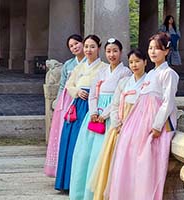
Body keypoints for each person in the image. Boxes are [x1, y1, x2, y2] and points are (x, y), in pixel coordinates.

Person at [107, 32, 179, 200]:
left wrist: (157, 125)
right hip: (138, 120)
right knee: (129, 156)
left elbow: (168, 102)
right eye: (150, 48)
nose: (153, 52)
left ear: (166, 51)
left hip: (154, 123)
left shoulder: (168, 73)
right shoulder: (152, 73)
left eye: (158, 49)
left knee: (148, 162)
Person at [70, 38, 131, 200]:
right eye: (109, 51)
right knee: (85, 154)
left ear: (121, 52)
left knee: (102, 154)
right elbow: (93, 94)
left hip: (111, 116)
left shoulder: (125, 73)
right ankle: (81, 193)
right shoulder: (101, 72)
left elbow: (119, 98)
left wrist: (104, 115)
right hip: (95, 116)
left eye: (115, 51)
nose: (112, 54)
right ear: (105, 52)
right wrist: (93, 112)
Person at [90, 49, 147, 200]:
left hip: (137, 127)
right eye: (132, 62)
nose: (134, 65)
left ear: (145, 62)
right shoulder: (124, 83)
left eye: (137, 61)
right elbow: (115, 105)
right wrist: (117, 123)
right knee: (115, 163)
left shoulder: (148, 83)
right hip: (119, 126)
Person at [55, 35, 108, 192]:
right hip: (77, 105)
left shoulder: (104, 67)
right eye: (86, 47)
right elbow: (69, 85)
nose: (88, 50)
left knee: (85, 147)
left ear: (98, 48)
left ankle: (81, 183)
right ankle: (67, 182)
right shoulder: (79, 67)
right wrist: (77, 91)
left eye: (92, 47)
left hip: (93, 106)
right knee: (70, 142)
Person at [44, 34, 85, 177]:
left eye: (76, 43)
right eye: (71, 46)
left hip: (82, 99)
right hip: (67, 100)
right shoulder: (68, 64)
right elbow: (62, 85)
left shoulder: (89, 62)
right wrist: (58, 101)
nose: (74, 47)